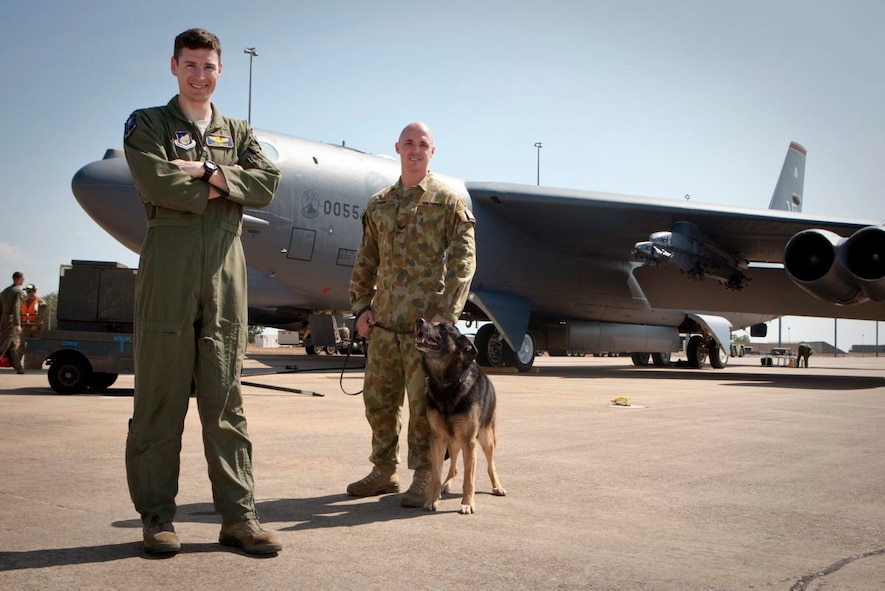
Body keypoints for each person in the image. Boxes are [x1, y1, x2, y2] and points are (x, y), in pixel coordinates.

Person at [123, 28, 282, 556]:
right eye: (189, 64)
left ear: (220, 70)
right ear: (174, 67)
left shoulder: (238, 131)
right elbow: (155, 181)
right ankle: (157, 519)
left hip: (225, 267)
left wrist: (209, 170)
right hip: (168, 267)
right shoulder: (148, 124)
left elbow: (265, 183)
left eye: (208, 66)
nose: (199, 75)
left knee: (226, 401)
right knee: (159, 400)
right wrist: (224, 184)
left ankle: (239, 519)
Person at [347, 121, 476, 507]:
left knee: (424, 406)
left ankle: (425, 474)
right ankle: (383, 470)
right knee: (378, 400)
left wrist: (447, 313)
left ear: (432, 152)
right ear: (397, 149)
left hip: (427, 333)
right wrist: (360, 308)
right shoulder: (379, 204)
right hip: (384, 323)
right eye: (409, 143)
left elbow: (464, 260)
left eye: (423, 144)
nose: (415, 150)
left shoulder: (448, 202)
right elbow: (365, 260)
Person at [0, 271, 26, 374]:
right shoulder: (18, 292)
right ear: (18, 279)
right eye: (22, 278)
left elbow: (0, 308)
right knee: (2, 345)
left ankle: (19, 367)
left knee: (12, 345)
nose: (23, 280)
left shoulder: (5, 291)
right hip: (11, 320)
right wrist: (17, 324)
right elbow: (16, 308)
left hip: (3, 319)